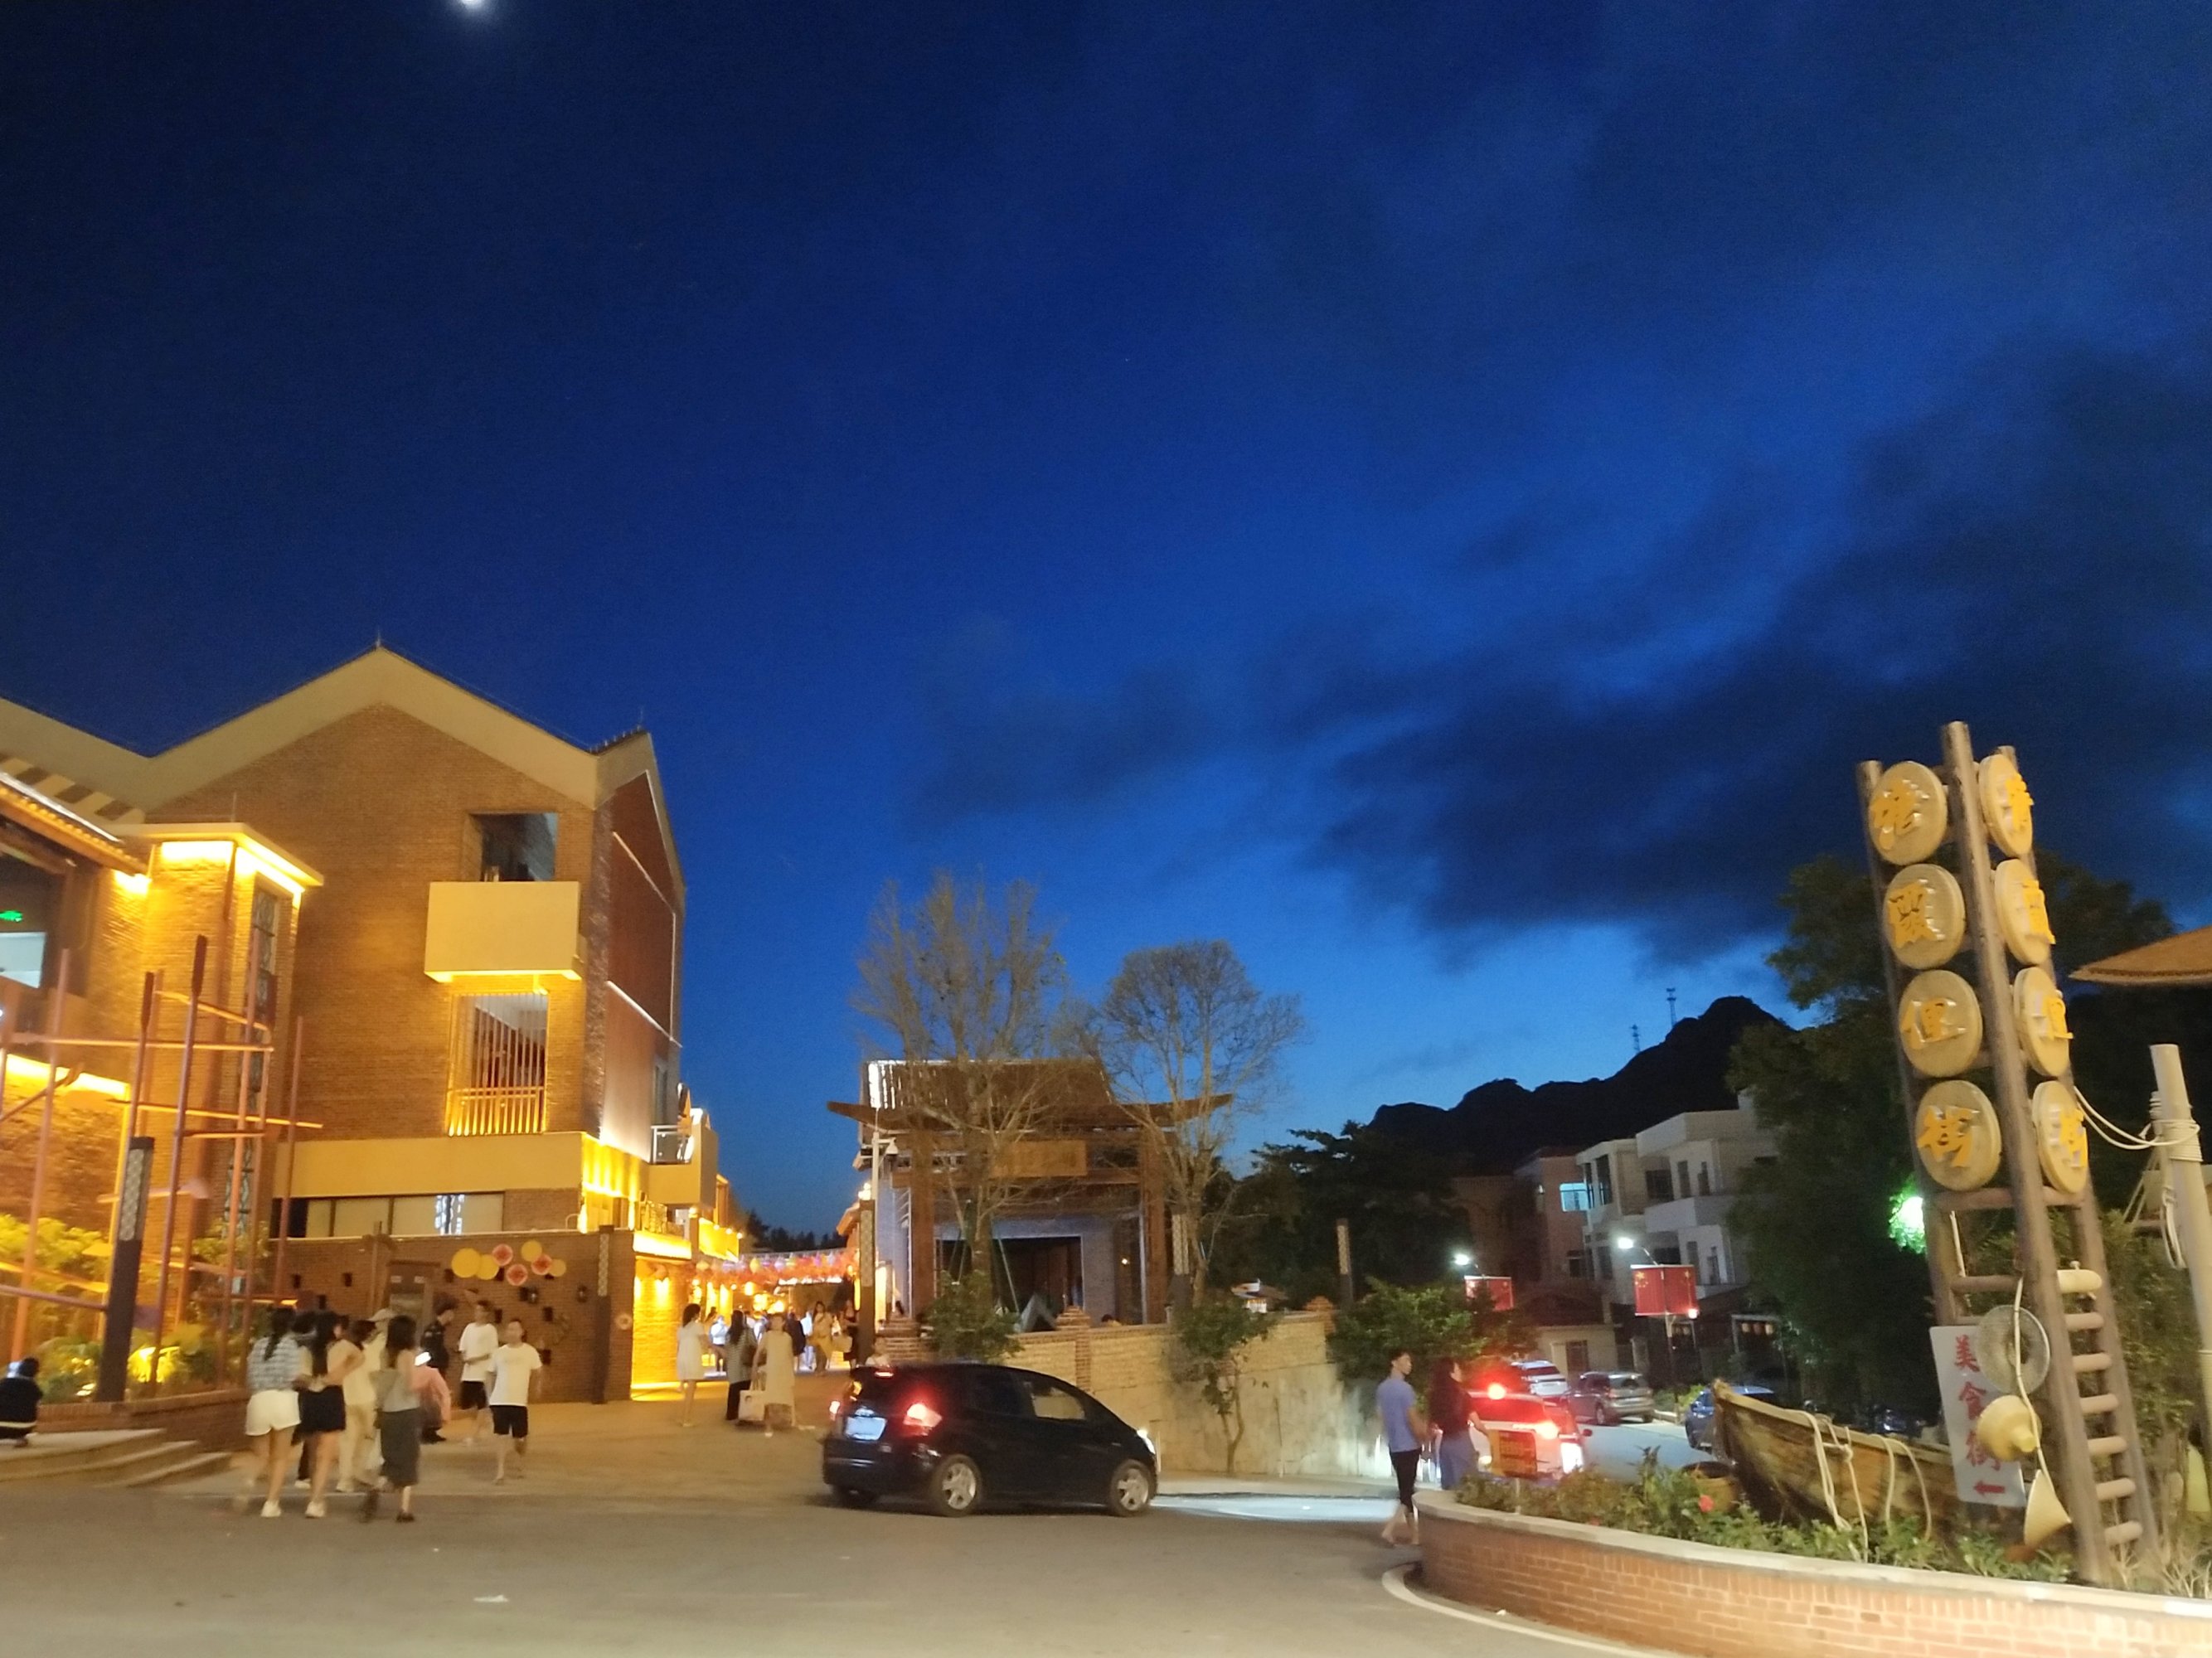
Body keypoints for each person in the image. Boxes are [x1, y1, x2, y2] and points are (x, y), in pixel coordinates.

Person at [363, 1315, 435, 1523]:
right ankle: (404, 1509)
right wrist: (426, 1380)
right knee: (408, 1459)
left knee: (391, 1458)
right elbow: (411, 1385)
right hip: (406, 1412)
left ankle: (377, 1487)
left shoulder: (385, 1354)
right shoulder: (407, 1355)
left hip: (388, 1411)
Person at [238, 1307, 304, 1515]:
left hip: (259, 1400)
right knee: (280, 1457)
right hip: (283, 1400)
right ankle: (271, 1503)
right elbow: (293, 1375)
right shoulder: (290, 1345)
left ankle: (249, 1480)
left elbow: (249, 1375)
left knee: (261, 1455)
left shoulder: (259, 1345)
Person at [298, 1310, 358, 1519]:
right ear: (334, 1328)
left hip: (310, 1399)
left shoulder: (307, 1349)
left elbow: (300, 1376)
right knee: (326, 1455)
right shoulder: (343, 1346)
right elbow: (360, 1357)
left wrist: (316, 1380)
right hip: (332, 1397)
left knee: (313, 1453)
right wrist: (341, 1372)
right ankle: (316, 1501)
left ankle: (314, 1497)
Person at [1377, 1347, 1424, 1545]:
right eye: (1405, 1360)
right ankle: (1389, 1529)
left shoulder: (1382, 1389)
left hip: (1394, 1445)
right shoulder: (1405, 1390)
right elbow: (1412, 1418)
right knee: (1407, 1493)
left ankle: (1415, 1535)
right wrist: (1422, 1436)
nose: (1409, 1364)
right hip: (1409, 1445)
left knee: (1406, 1490)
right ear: (1394, 1362)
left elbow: (1381, 1416)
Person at [488, 1318, 542, 1485]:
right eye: (509, 1329)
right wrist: (489, 1395)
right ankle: (500, 1471)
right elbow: (490, 1374)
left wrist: (537, 1388)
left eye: (515, 1329)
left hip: (519, 1401)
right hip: (500, 1400)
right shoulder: (499, 1353)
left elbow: (538, 1372)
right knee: (501, 1435)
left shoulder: (530, 1351)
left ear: (522, 1332)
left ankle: (520, 1461)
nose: (512, 1332)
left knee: (520, 1438)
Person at [338, 1312, 386, 1492]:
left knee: (347, 1441)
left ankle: (344, 1480)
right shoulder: (369, 1351)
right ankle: (358, 1471)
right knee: (367, 1438)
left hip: (347, 1398)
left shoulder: (344, 1351)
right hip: (368, 1399)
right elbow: (376, 1374)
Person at [1428, 1356, 1475, 1491]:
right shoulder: (1463, 1395)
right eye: (1458, 1370)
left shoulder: (1435, 1395)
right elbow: (1477, 1423)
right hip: (1462, 1441)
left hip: (1445, 1443)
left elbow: (1432, 1423)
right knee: (1467, 1485)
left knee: (1449, 1486)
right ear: (1451, 1374)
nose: (1461, 1372)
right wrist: (1490, 1435)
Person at [455, 1301, 498, 1442]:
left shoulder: (490, 1329)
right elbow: (463, 1348)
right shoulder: (469, 1328)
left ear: (486, 1313)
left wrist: (476, 1359)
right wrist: (465, 1358)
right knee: (467, 1405)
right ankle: (484, 1422)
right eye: (476, 1310)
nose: (477, 1313)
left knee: (481, 1404)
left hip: (482, 1373)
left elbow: (492, 1351)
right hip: (468, 1373)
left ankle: (475, 1434)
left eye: (480, 1310)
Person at [752, 1311, 795, 1433]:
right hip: (771, 1371)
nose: (775, 1323)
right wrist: (754, 1366)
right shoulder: (768, 1336)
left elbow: (790, 1355)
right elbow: (758, 1352)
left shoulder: (787, 1338)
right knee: (769, 1399)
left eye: (778, 1321)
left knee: (785, 1397)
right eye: (773, 1321)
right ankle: (768, 1424)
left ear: (783, 1323)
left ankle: (785, 1421)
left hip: (784, 1371)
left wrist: (792, 1372)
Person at [675, 1302, 711, 1427]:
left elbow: (678, 1346)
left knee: (688, 1390)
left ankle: (684, 1416)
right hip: (692, 1358)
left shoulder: (681, 1328)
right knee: (691, 1390)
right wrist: (717, 1349)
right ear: (695, 1314)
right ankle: (686, 1418)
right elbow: (705, 1341)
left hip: (682, 1358)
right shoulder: (697, 1326)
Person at [723, 1311, 758, 1424]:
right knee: (744, 1389)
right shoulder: (747, 1332)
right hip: (745, 1365)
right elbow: (754, 1345)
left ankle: (731, 1413)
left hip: (732, 1365)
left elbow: (726, 1348)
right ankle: (744, 1413)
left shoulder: (729, 1333)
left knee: (733, 1389)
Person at [2, 1356, 41, 1445]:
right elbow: (36, 1405)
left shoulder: (5, 1383)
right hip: (25, 1426)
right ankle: (20, 1437)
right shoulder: (34, 1388)